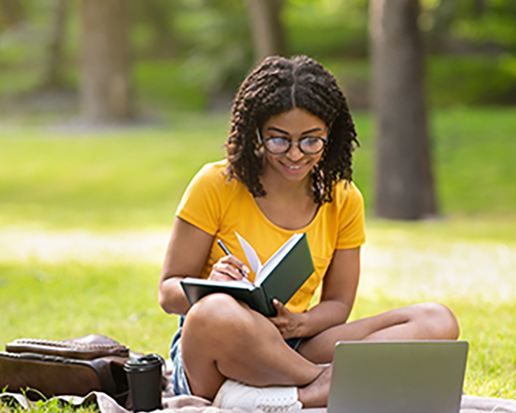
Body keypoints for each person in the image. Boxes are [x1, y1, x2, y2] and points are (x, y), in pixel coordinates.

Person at [158, 55, 459, 411]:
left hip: (292, 345)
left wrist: (299, 323)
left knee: (436, 320)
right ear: (256, 132)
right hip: (217, 352)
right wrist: (211, 286)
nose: (295, 154)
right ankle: (327, 384)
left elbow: (338, 305)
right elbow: (168, 291)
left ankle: (295, 394)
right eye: (279, 140)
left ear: (330, 135)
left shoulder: (343, 198)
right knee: (215, 312)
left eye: (311, 141)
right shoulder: (215, 184)